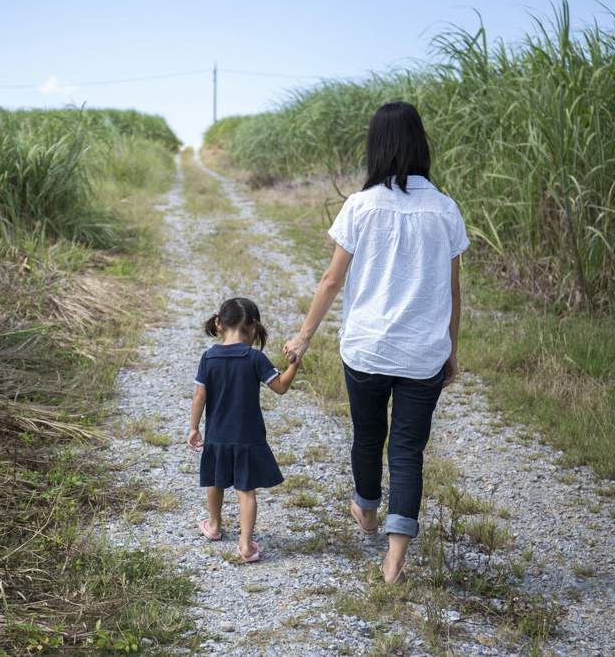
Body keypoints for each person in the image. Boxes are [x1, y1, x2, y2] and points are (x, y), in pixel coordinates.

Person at [282, 101, 468, 584]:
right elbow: (453, 290)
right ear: (420, 145)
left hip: (366, 349)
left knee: (368, 436)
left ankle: (365, 509)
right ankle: (394, 561)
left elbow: (330, 281)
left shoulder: (360, 206)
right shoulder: (445, 209)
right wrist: (451, 349)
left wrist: (303, 337)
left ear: (376, 147)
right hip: (423, 352)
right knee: (407, 450)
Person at [187, 297, 300, 563]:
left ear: (219, 324)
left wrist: (193, 428)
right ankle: (246, 545)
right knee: (246, 491)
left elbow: (199, 396)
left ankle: (214, 526)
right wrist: (294, 363)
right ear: (252, 327)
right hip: (247, 437)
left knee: (215, 482)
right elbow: (281, 386)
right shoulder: (254, 358)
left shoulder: (209, 357)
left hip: (216, 435)